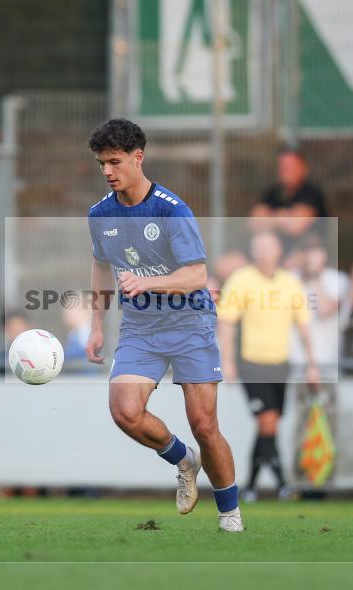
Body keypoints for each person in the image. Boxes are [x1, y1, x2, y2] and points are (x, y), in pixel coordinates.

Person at [84, 118, 243, 532]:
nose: (107, 171)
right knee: (124, 411)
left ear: (138, 158)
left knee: (205, 425)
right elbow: (101, 266)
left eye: (115, 162)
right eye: (102, 163)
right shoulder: (100, 214)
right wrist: (97, 324)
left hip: (190, 324)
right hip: (141, 329)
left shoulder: (172, 210)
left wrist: (147, 282)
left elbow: (196, 276)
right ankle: (183, 460)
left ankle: (230, 516)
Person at [217, 231, 320, 502]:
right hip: (251, 364)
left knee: (269, 425)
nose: (263, 252)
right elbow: (226, 323)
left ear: (278, 251)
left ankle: (250, 486)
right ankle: (282, 483)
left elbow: (304, 327)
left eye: (268, 246)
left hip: (280, 365)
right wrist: (227, 362)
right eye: (258, 247)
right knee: (267, 421)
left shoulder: (290, 283)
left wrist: (312, 364)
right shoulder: (241, 280)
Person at [289, 235, 349, 377]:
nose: (308, 257)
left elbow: (324, 310)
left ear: (324, 255)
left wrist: (314, 276)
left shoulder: (338, 280)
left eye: (313, 252)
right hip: (294, 364)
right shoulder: (288, 279)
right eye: (304, 251)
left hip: (327, 363)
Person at [250, 149, 329, 256]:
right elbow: (254, 223)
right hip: (274, 254)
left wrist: (271, 218)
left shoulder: (311, 193)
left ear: (303, 168)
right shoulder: (272, 193)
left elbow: (296, 226)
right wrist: (283, 217)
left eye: (290, 166)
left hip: (305, 253)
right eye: (282, 166)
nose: (284, 170)